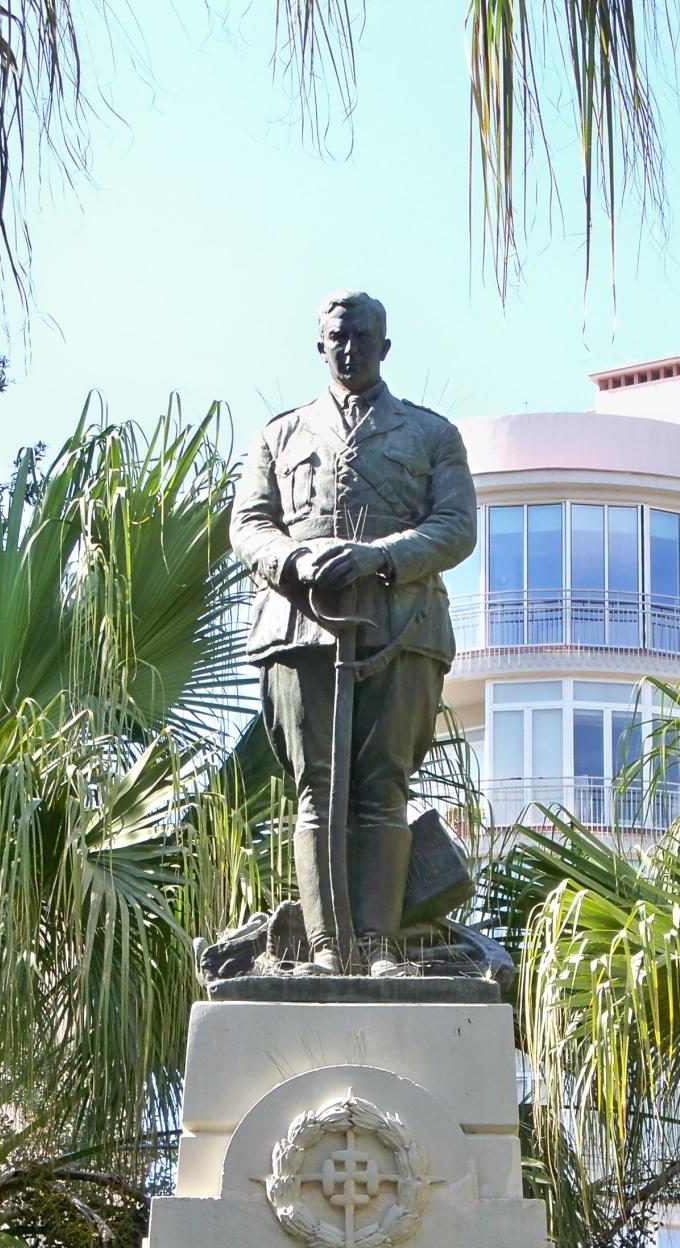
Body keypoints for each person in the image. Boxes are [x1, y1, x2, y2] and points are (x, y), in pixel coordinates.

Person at [230, 292, 477, 975]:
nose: (350, 347)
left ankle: (377, 946)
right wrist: (292, 559)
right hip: (301, 627)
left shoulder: (431, 434)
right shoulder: (278, 436)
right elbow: (248, 524)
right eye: (338, 336)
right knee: (317, 788)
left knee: (382, 787)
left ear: (385, 347)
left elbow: (457, 526)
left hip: (401, 628)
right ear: (321, 345)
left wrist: (382, 556)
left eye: (364, 336)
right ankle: (323, 945)